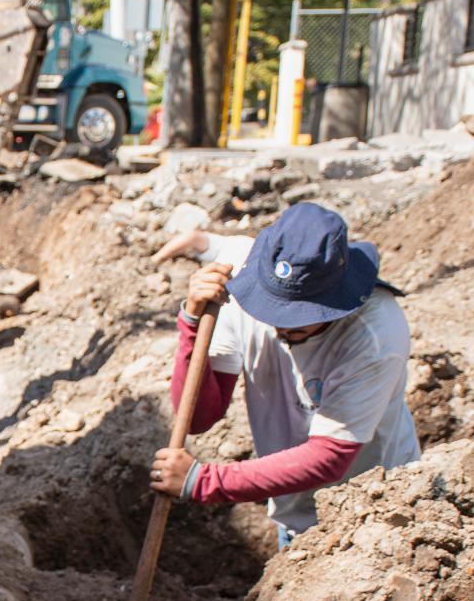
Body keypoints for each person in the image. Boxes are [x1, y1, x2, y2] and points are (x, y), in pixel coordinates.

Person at [147, 202, 420, 546]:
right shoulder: (240, 283)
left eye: (298, 316)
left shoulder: (375, 333)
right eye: (274, 307)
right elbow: (200, 417)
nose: (280, 322)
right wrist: (191, 322)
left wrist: (203, 481)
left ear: (333, 300)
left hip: (372, 522)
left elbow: (329, 458)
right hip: (293, 516)